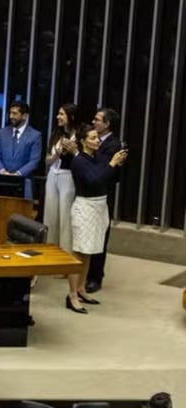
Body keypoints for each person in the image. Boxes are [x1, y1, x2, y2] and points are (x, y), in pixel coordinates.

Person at [61, 128, 128, 313]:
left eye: (97, 137)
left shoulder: (98, 157)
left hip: (100, 206)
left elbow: (109, 177)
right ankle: (72, 295)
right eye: (92, 138)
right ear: (83, 141)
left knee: (90, 251)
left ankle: (81, 288)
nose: (97, 140)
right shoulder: (79, 161)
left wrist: (117, 164)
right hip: (85, 207)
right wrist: (111, 164)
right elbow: (94, 180)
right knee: (79, 252)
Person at [86, 107, 123, 293]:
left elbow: (104, 167)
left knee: (100, 237)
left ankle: (95, 277)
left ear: (107, 124)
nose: (94, 122)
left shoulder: (114, 145)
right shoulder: (92, 140)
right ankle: (84, 272)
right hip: (87, 193)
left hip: (103, 194)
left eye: (98, 119)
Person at [43, 103, 81, 252]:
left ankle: (66, 254)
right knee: (50, 216)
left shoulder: (78, 135)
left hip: (68, 176)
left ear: (71, 117)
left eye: (61, 114)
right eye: (58, 114)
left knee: (65, 217)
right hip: (53, 173)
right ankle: (50, 253)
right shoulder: (56, 134)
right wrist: (56, 154)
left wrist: (72, 150)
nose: (58, 117)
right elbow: (46, 160)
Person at [0, 101, 42, 199]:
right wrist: (2, 171)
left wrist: (17, 174)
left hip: (23, 181)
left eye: (15, 113)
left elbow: (34, 161)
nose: (11, 116)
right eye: (10, 113)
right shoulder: (1, 133)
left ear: (24, 116)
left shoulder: (35, 135)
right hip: (2, 180)